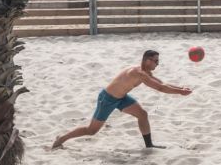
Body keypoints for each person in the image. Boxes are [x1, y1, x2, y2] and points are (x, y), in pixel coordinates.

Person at [52, 50, 192, 150]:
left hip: (122, 98)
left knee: (142, 114)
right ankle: (61, 139)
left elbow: (162, 83)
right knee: (91, 130)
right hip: (107, 99)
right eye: (156, 61)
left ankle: (149, 145)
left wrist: (181, 88)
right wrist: (180, 93)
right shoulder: (138, 73)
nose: (158, 64)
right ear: (147, 60)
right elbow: (160, 88)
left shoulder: (145, 71)